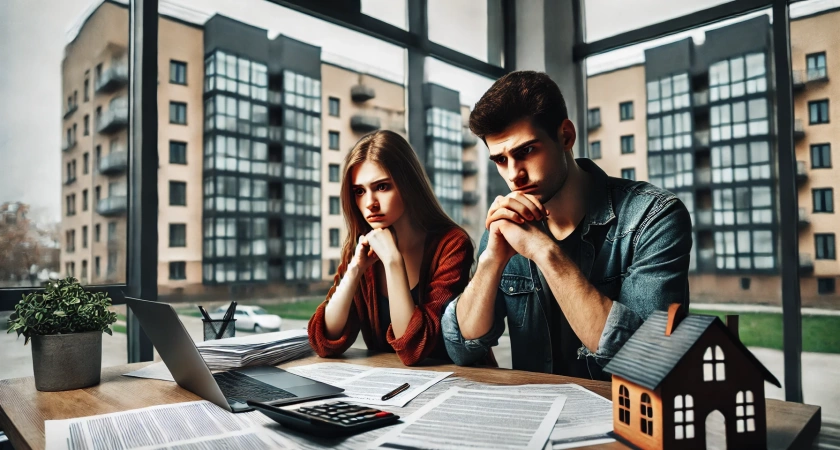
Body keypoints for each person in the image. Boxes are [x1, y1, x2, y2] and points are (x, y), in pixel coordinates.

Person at [442, 71, 692, 379]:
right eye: (501, 160)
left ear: (566, 136)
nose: (513, 175)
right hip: (537, 415)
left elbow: (646, 358)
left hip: (625, 419)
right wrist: (491, 261)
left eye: (526, 151)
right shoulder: (506, 227)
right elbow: (462, 347)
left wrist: (546, 253)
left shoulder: (653, 216)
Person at [308, 130, 476, 366]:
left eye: (382, 187)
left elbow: (413, 348)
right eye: (359, 191)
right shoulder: (361, 246)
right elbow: (323, 342)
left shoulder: (452, 244)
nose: (370, 203)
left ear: (408, 184)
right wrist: (355, 269)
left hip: (454, 382)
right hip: (391, 385)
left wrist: (393, 262)